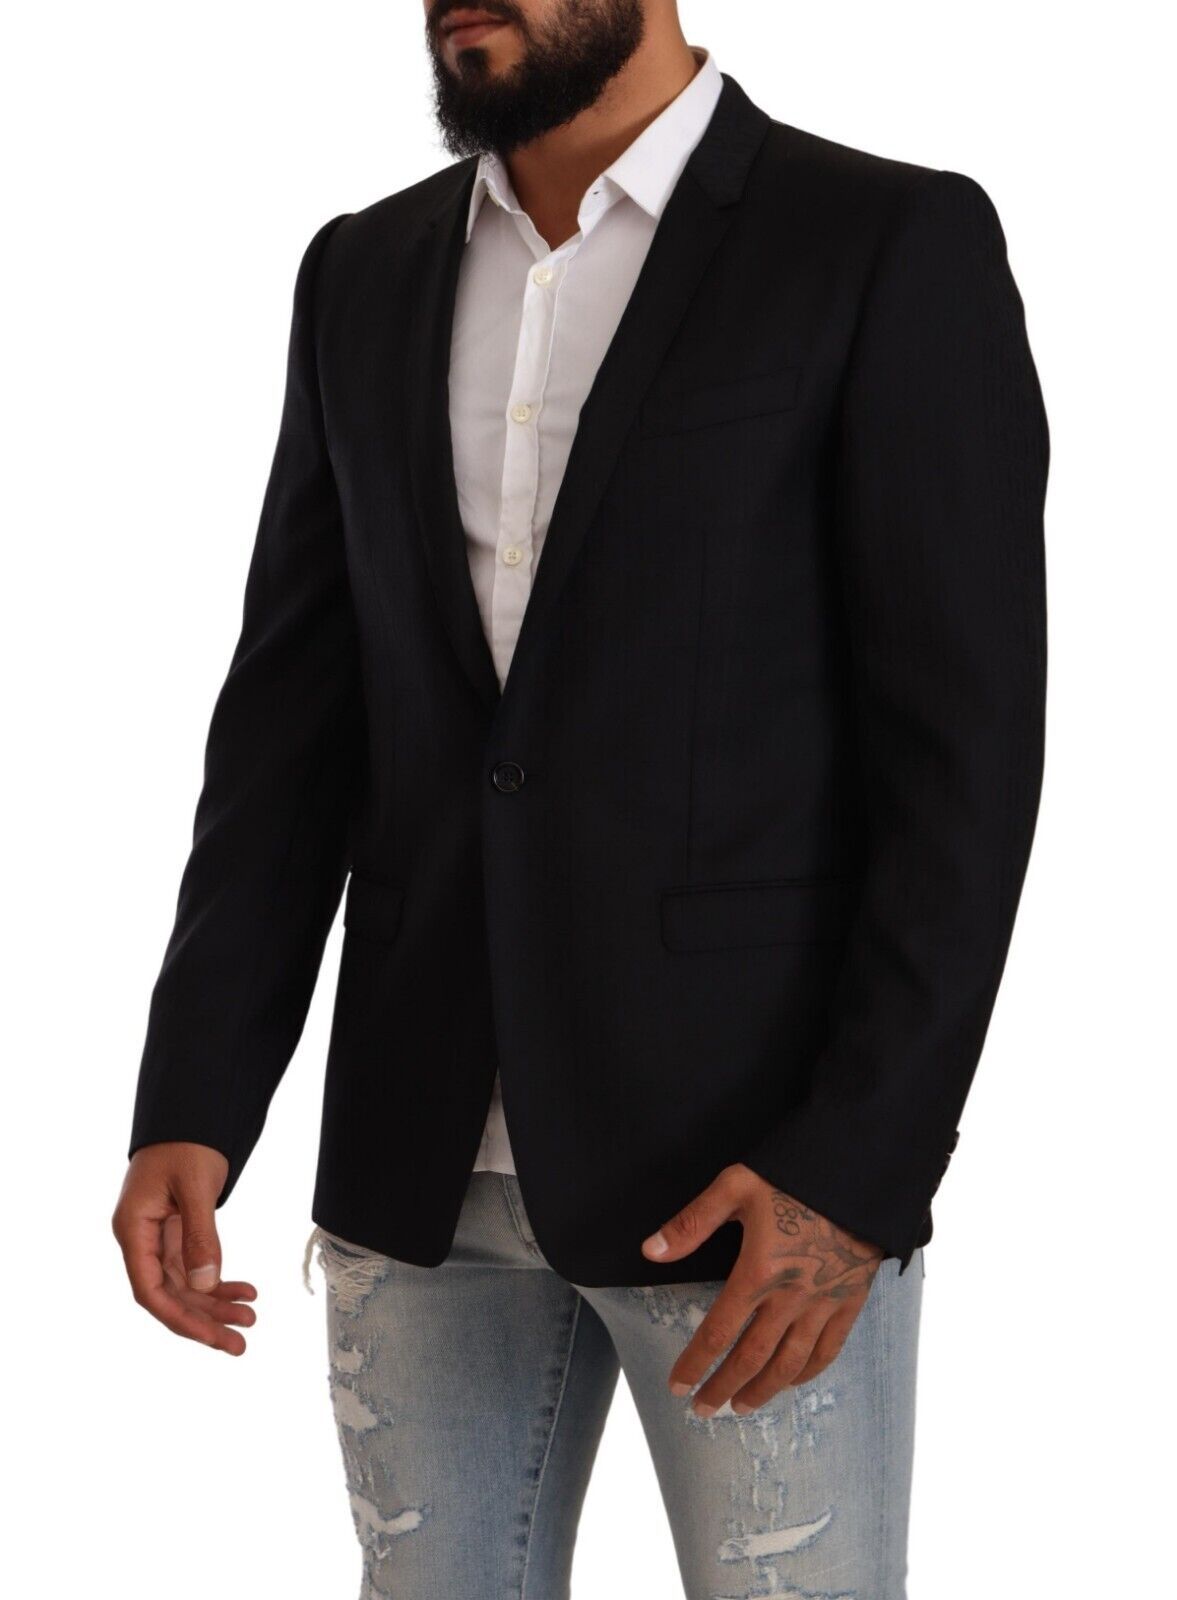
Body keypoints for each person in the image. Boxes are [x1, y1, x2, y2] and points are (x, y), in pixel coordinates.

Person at [112, 2, 1049, 1595]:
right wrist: (195, 1096)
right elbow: (290, 728)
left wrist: (856, 1171)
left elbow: (961, 756)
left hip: (749, 1182)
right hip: (417, 1163)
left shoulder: (881, 241)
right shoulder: (363, 269)